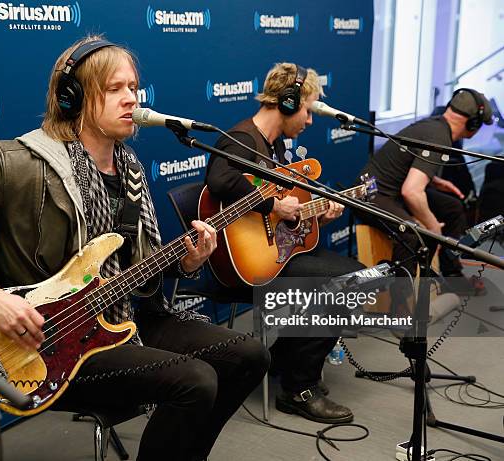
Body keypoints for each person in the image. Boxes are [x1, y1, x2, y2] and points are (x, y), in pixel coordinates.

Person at [0, 35, 269, 461]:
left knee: (249, 355)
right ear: (72, 97)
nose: (132, 99)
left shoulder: (129, 166)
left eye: (134, 87)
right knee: (196, 380)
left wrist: (186, 262)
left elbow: (136, 267)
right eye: (115, 89)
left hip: (129, 317)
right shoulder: (19, 162)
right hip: (58, 342)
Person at [205, 62, 364, 424]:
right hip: (244, 267)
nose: (309, 121)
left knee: (355, 277)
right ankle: (298, 388)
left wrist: (314, 213)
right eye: (307, 110)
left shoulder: (273, 147)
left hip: (272, 255)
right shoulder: (242, 139)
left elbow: (281, 218)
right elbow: (219, 178)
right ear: (288, 103)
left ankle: (284, 361)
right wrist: (276, 204)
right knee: (346, 281)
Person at [356, 88, 494, 291]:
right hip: (369, 195)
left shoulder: (436, 127)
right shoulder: (439, 137)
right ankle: (401, 307)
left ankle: (451, 275)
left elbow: (409, 170)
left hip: (391, 191)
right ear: (474, 123)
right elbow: (411, 192)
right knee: (412, 232)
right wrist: (435, 229)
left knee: (452, 207)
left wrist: (432, 180)